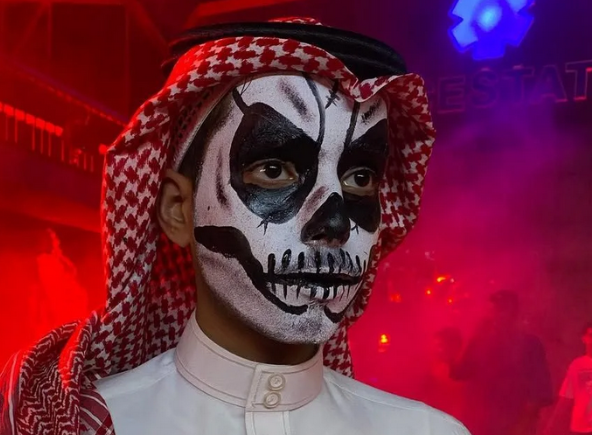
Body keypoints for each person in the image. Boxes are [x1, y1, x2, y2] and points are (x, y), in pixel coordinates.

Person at [0, 17, 470, 435]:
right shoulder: (74, 424)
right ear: (178, 210)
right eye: (274, 170)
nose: (335, 223)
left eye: (360, 178)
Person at [449, 290, 554, 435]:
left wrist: (522, 425)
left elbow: (540, 391)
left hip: (513, 421)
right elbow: (459, 373)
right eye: (492, 311)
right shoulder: (480, 341)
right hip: (479, 422)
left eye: (501, 310)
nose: (495, 316)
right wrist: (468, 339)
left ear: (513, 313)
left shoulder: (529, 344)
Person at [546, 322, 592, 435]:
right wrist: (550, 427)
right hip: (580, 428)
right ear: (584, 338)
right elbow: (566, 398)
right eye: (590, 335)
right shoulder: (577, 365)